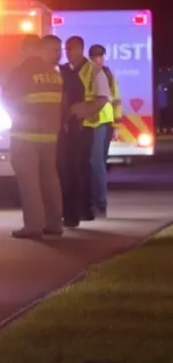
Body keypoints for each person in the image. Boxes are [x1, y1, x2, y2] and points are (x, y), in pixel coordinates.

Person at [1, 35, 64, 239]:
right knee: (50, 179)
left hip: (25, 135)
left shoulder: (21, 71)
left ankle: (33, 226)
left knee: (29, 181)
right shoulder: (53, 73)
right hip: (50, 135)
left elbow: (7, 99)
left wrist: (17, 119)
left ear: (25, 49)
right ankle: (55, 223)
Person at [58, 35, 111, 225]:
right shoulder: (65, 70)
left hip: (87, 126)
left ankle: (85, 208)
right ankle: (78, 208)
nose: (67, 53)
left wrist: (84, 111)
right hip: (69, 127)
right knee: (72, 167)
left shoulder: (94, 71)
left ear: (80, 49)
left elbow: (102, 98)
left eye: (70, 49)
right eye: (66, 49)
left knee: (81, 167)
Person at [88, 43, 120, 215]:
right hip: (95, 122)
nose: (98, 59)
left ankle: (100, 203)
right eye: (95, 56)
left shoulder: (106, 74)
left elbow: (116, 99)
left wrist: (117, 125)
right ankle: (97, 202)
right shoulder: (91, 73)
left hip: (102, 122)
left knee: (96, 162)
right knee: (96, 163)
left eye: (100, 56)